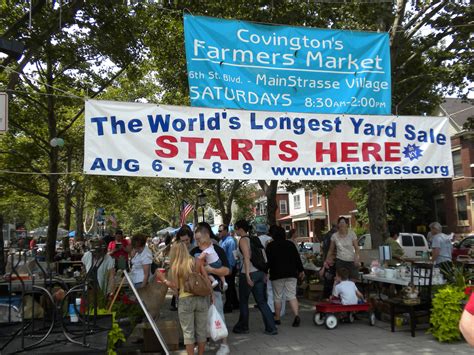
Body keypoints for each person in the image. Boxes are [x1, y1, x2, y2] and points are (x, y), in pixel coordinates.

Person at [156, 242, 210, 355]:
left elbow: (176, 288)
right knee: (201, 332)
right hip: (201, 299)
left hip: (185, 301)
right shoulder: (196, 261)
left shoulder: (176, 266)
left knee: (188, 333)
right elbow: (206, 279)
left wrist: (164, 280)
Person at [191, 223, 231, 355]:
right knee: (201, 319)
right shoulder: (194, 251)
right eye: (195, 239)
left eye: (199, 239)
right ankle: (204, 343)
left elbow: (226, 270)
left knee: (218, 315)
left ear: (207, 236)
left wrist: (211, 269)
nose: (197, 242)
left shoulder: (218, 250)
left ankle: (224, 345)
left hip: (215, 290)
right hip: (198, 291)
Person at [233, 219, 277, 336]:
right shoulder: (255, 239)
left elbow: (247, 257)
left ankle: (244, 326)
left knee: (243, 301)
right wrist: (265, 272)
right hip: (260, 273)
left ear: (240, 229)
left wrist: (247, 275)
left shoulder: (243, 240)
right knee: (262, 301)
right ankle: (271, 327)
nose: (235, 230)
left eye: (235, 228)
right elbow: (264, 256)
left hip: (248, 273)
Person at [266, 225, 304, 327]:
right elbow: (297, 258)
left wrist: (266, 272)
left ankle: (277, 318)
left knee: (277, 297)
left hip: (277, 274)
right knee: (292, 295)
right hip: (291, 274)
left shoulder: (270, 246)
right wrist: (301, 270)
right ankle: (296, 316)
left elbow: (268, 262)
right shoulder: (290, 244)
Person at [325, 217, 360, 281]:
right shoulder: (334, 236)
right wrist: (327, 260)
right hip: (340, 260)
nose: (341, 224)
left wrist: (356, 257)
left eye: (343, 222)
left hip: (351, 260)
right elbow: (331, 250)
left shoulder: (352, 234)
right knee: (340, 281)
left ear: (346, 224)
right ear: (338, 225)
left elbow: (357, 248)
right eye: (340, 223)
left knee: (353, 280)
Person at [218, 224, 240, 313]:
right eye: (219, 230)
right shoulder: (221, 241)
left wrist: (230, 267)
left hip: (229, 266)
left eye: (220, 230)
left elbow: (232, 255)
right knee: (230, 286)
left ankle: (228, 305)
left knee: (228, 286)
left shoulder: (230, 241)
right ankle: (235, 303)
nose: (219, 232)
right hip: (224, 266)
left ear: (226, 231)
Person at [320, 223, 337, 298]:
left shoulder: (326, 235)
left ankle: (325, 297)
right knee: (332, 280)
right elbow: (334, 248)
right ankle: (330, 296)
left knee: (327, 280)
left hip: (327, 259)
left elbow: (322, 246)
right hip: (332, 259)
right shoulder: (334, 236)